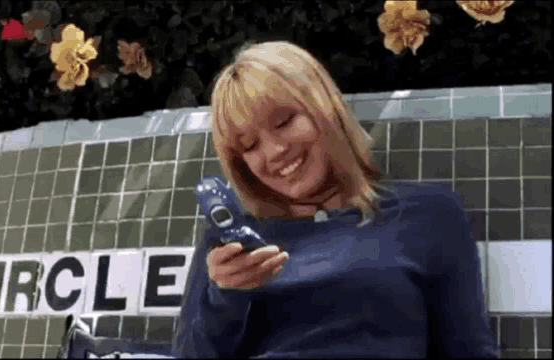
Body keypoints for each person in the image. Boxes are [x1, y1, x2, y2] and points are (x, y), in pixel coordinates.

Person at [172, 40, 500, 359]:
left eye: (284, 122)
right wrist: (224, 297)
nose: (274, 151)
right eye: (249, 146)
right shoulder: (235, 243)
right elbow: (189, 354)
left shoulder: (429, 212)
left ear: (324, 107)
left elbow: (469, 348)